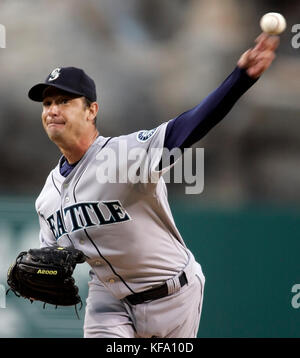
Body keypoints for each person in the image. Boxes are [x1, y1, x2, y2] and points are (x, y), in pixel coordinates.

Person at [28, 33, 279, 338]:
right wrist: (43, 272)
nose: (52, 109)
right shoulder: (47, 197)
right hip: (109, 301)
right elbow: (52, 260)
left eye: (64, 101)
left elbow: (188, 127)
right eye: (47, 103)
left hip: (175, 294)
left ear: (91, 110)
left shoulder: (123, 155)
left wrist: (239, 79)